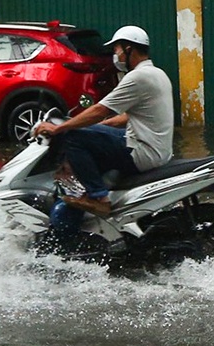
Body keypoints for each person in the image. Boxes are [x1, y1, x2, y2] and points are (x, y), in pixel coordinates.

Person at [32, 24, 174, 219]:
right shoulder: (158, 74)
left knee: (72, 136)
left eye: (116, 49)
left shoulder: (137, 77)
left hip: (143, 152)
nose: (115, 55)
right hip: (156, 148)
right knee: (85, 133)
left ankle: (99, 198)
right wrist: (101, 127)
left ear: (128, 48)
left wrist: (59, 128)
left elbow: (100, 110)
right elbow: (129, 116)